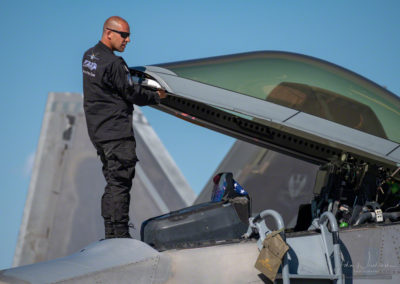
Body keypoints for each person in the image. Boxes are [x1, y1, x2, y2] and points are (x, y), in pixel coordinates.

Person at [82, 16, 166, 238]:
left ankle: (111, 232)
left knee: (112, 182)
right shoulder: (115, 64)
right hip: (117, 132)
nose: (128, 40)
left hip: (98, 132)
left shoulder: (89, 56)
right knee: (120, 182)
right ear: (108, 33)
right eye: (124, 35)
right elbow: (131, 93)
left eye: (129, 35)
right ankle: (119, 234)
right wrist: (156, 96)